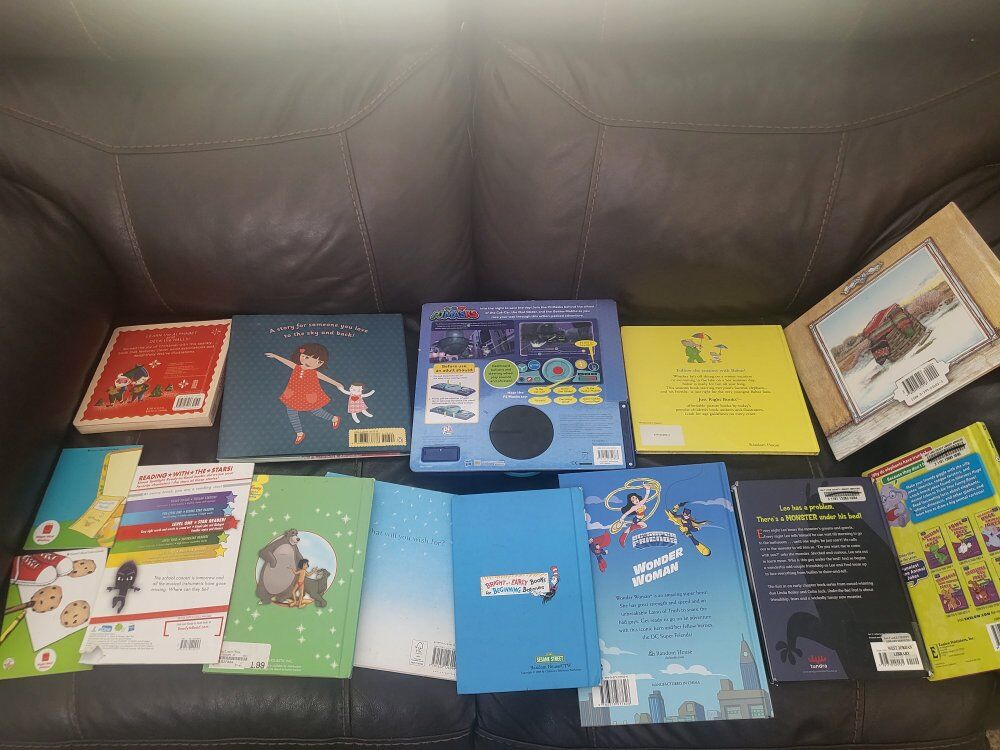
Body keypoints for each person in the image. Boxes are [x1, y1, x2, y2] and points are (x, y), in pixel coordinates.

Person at [265, 344, 344, 445]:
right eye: (306, 357)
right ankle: (299, 433)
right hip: (293, 395)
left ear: (320, 363)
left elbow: (325, 378)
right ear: (300, 355)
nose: (309, 362)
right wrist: (275, 356)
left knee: (316, 411)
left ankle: (334, 418)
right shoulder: (296, 367)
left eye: (316, 361)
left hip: (309, 396)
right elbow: (287, 362)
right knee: (291, 412)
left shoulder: (314, 373)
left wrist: (337, 384)